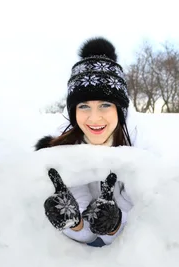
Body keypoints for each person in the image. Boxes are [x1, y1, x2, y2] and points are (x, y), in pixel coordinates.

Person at [34, 36, 135, 247]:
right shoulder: (64, 153)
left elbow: (143, 220)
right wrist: (75, 223)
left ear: (120, 110)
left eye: (105, 104)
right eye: (84, 106)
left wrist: (113, 223)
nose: (94, 117)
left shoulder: (137, 151)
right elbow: (87, 234)